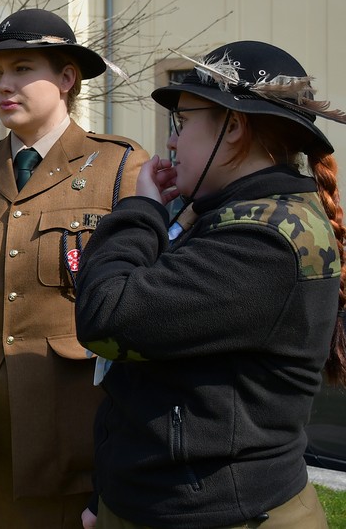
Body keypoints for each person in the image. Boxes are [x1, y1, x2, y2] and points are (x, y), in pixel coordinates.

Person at [75, 40, 346, 529]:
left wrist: (140, 210)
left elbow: (107, 316)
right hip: (169, 504)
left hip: (218, 514)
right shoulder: (229, 215)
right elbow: (155, 380)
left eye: (182, 122)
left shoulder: (262, 240)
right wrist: (108, 495)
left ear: (234, 127)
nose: (171, 142)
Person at [0, 8, 149, 527]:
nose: (4, 85)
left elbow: (142, 320)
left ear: (67, 78)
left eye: (22, 69)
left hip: (72, 437)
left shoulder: (119, 167)